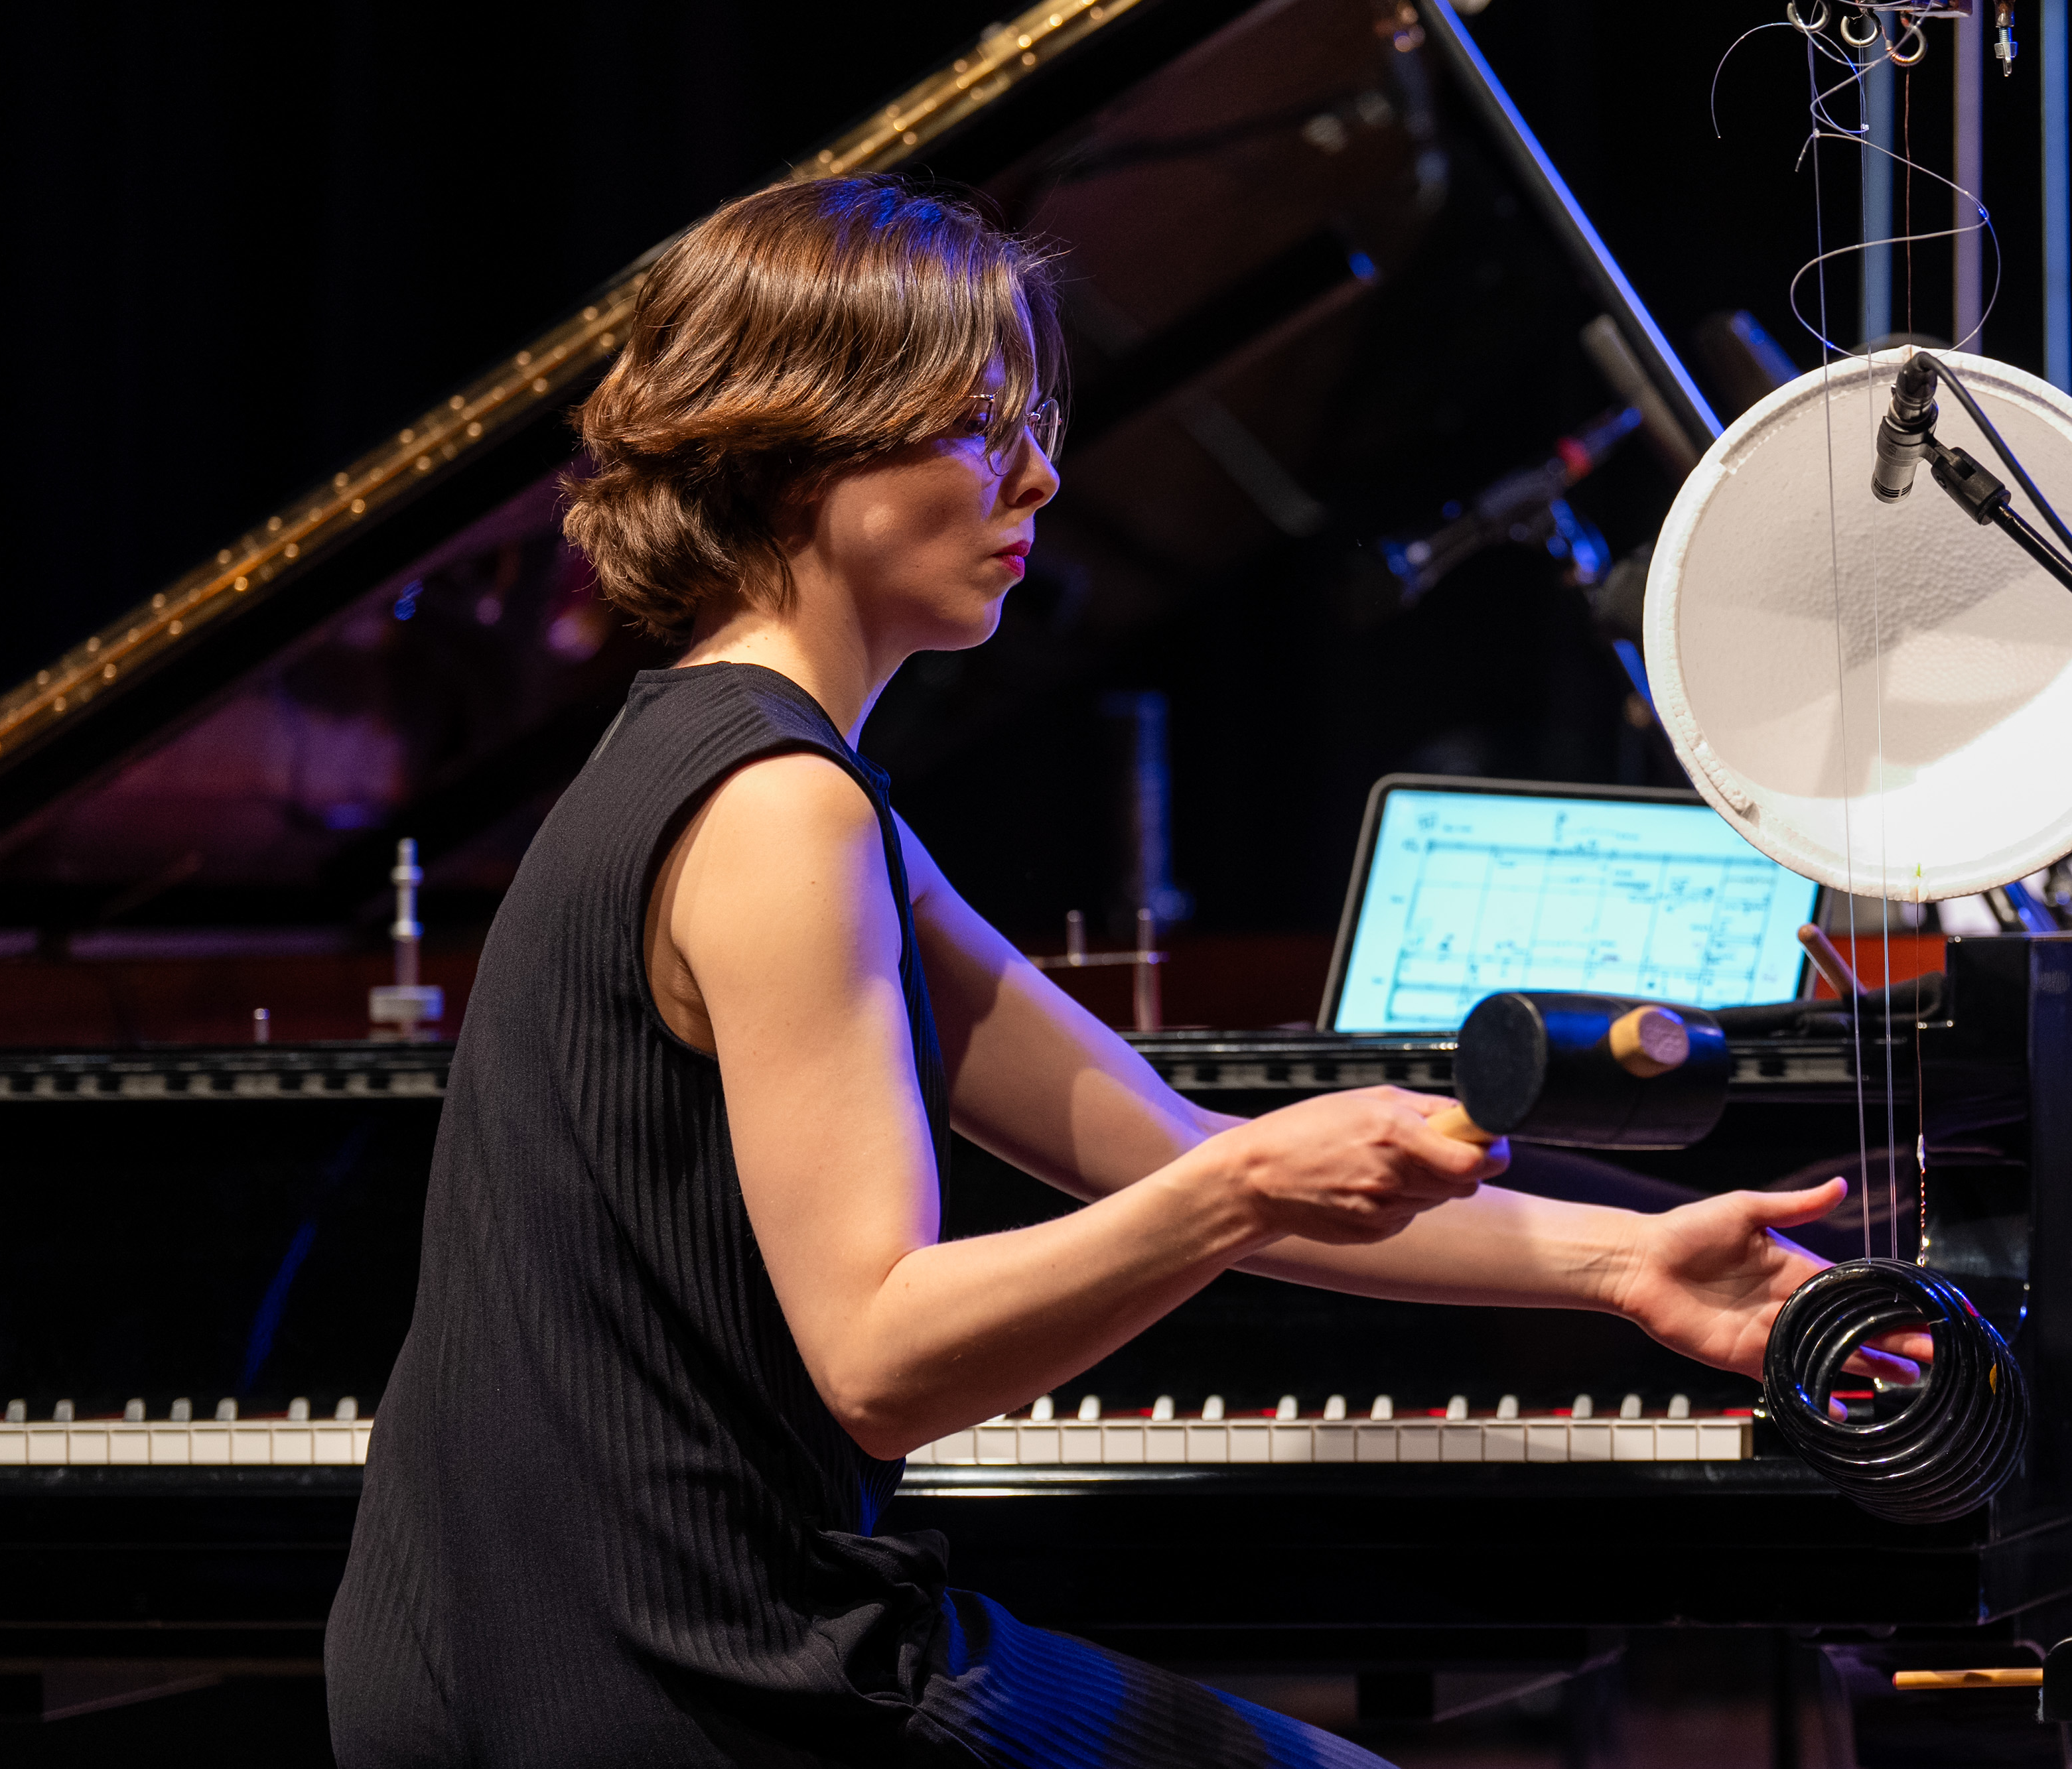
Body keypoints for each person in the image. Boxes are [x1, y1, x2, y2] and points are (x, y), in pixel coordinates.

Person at [324, 175, 1903, 1768]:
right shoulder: (777, 807)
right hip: (698, 1671)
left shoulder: (736, 764)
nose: (1040, 470)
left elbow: (1153, 1140)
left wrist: (1618, 1262)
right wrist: (1237, 1200)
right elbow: (880, 1359)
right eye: (979, 422)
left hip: (487, 1645)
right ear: (800, 440)